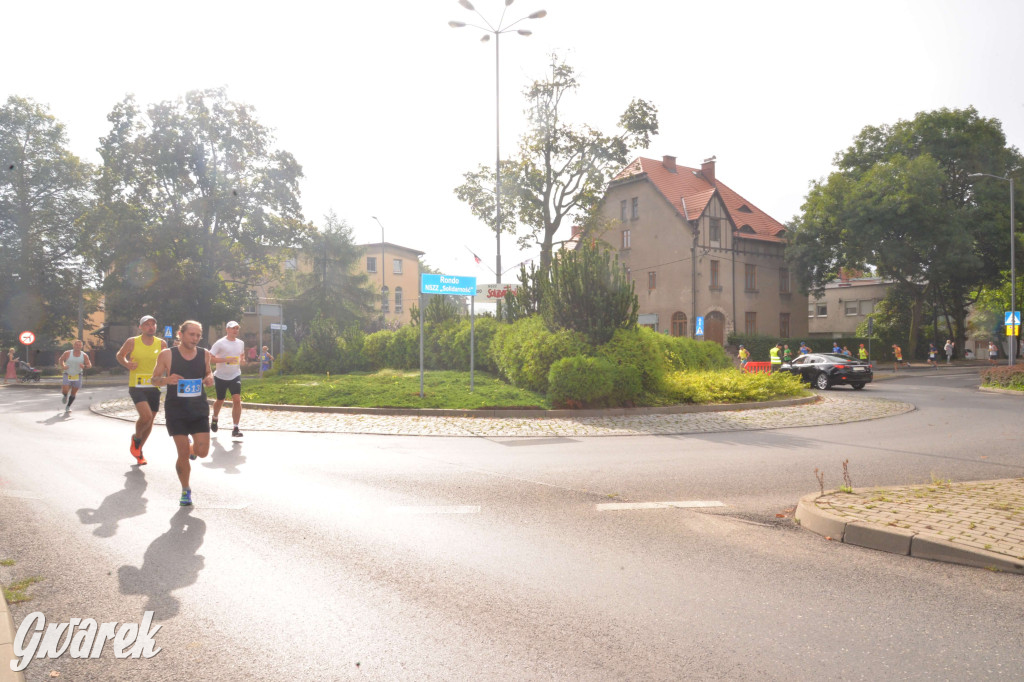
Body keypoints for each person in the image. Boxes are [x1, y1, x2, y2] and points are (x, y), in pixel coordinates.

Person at [150, 320, 215, 506]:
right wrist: (167, 380)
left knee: (202, 452)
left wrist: (209, 378)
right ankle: (185, 490)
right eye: (191, 334)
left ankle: (193, 449)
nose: (195, 338)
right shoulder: (167, 355)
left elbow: (208, 373)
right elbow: (154, 379)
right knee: (183, 453)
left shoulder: (204, 354)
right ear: (181, 334)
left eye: (198, 335)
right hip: (176, 410)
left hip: (198, 409)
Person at [116, 315, 168, 466]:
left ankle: (139, 451)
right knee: (145, 416)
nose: (150, 327)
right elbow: (120, 355)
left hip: (154, 385)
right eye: (147, 325)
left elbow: (167, 361)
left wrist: (168, 376)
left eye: (153, 324)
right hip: (137, 385)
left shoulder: (161, 343)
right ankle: (136, 438)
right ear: (141, 327)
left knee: (150, 421)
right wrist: (127, 364)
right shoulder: (132, 341)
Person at [209, 320, 245, 438]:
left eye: (237, 328)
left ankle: (235, 428)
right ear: (227, 329)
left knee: (237, 399)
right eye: (233, 328)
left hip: (235, 375)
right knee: (220, 400)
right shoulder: (220, 343)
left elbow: (241, 354)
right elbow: (210, 358)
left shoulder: (240, 343)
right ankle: (215, 418)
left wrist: (242, 360)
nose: (235, 330)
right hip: (221, 376)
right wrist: (225, 360)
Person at [58, 340, 92, 414]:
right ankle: (65, 395)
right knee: (65, 390)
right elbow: (61, 360)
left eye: (79, 345)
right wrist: (63, 366)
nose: (78, 346)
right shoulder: (67, 353)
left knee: (73, 393)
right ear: (73, 345)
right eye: (76, 345)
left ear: (81, 346)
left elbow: (89, 365)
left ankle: (68, 407)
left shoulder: (84, 355)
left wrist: (84, 366)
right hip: (67, 374)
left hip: (77, 375)